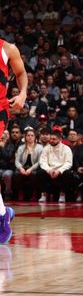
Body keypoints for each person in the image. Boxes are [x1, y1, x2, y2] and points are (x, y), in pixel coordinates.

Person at [0, 39, 27, 244]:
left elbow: (20, 74)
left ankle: (2, 217)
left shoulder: (7, 48)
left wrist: (23, 93)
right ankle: (3, 214)